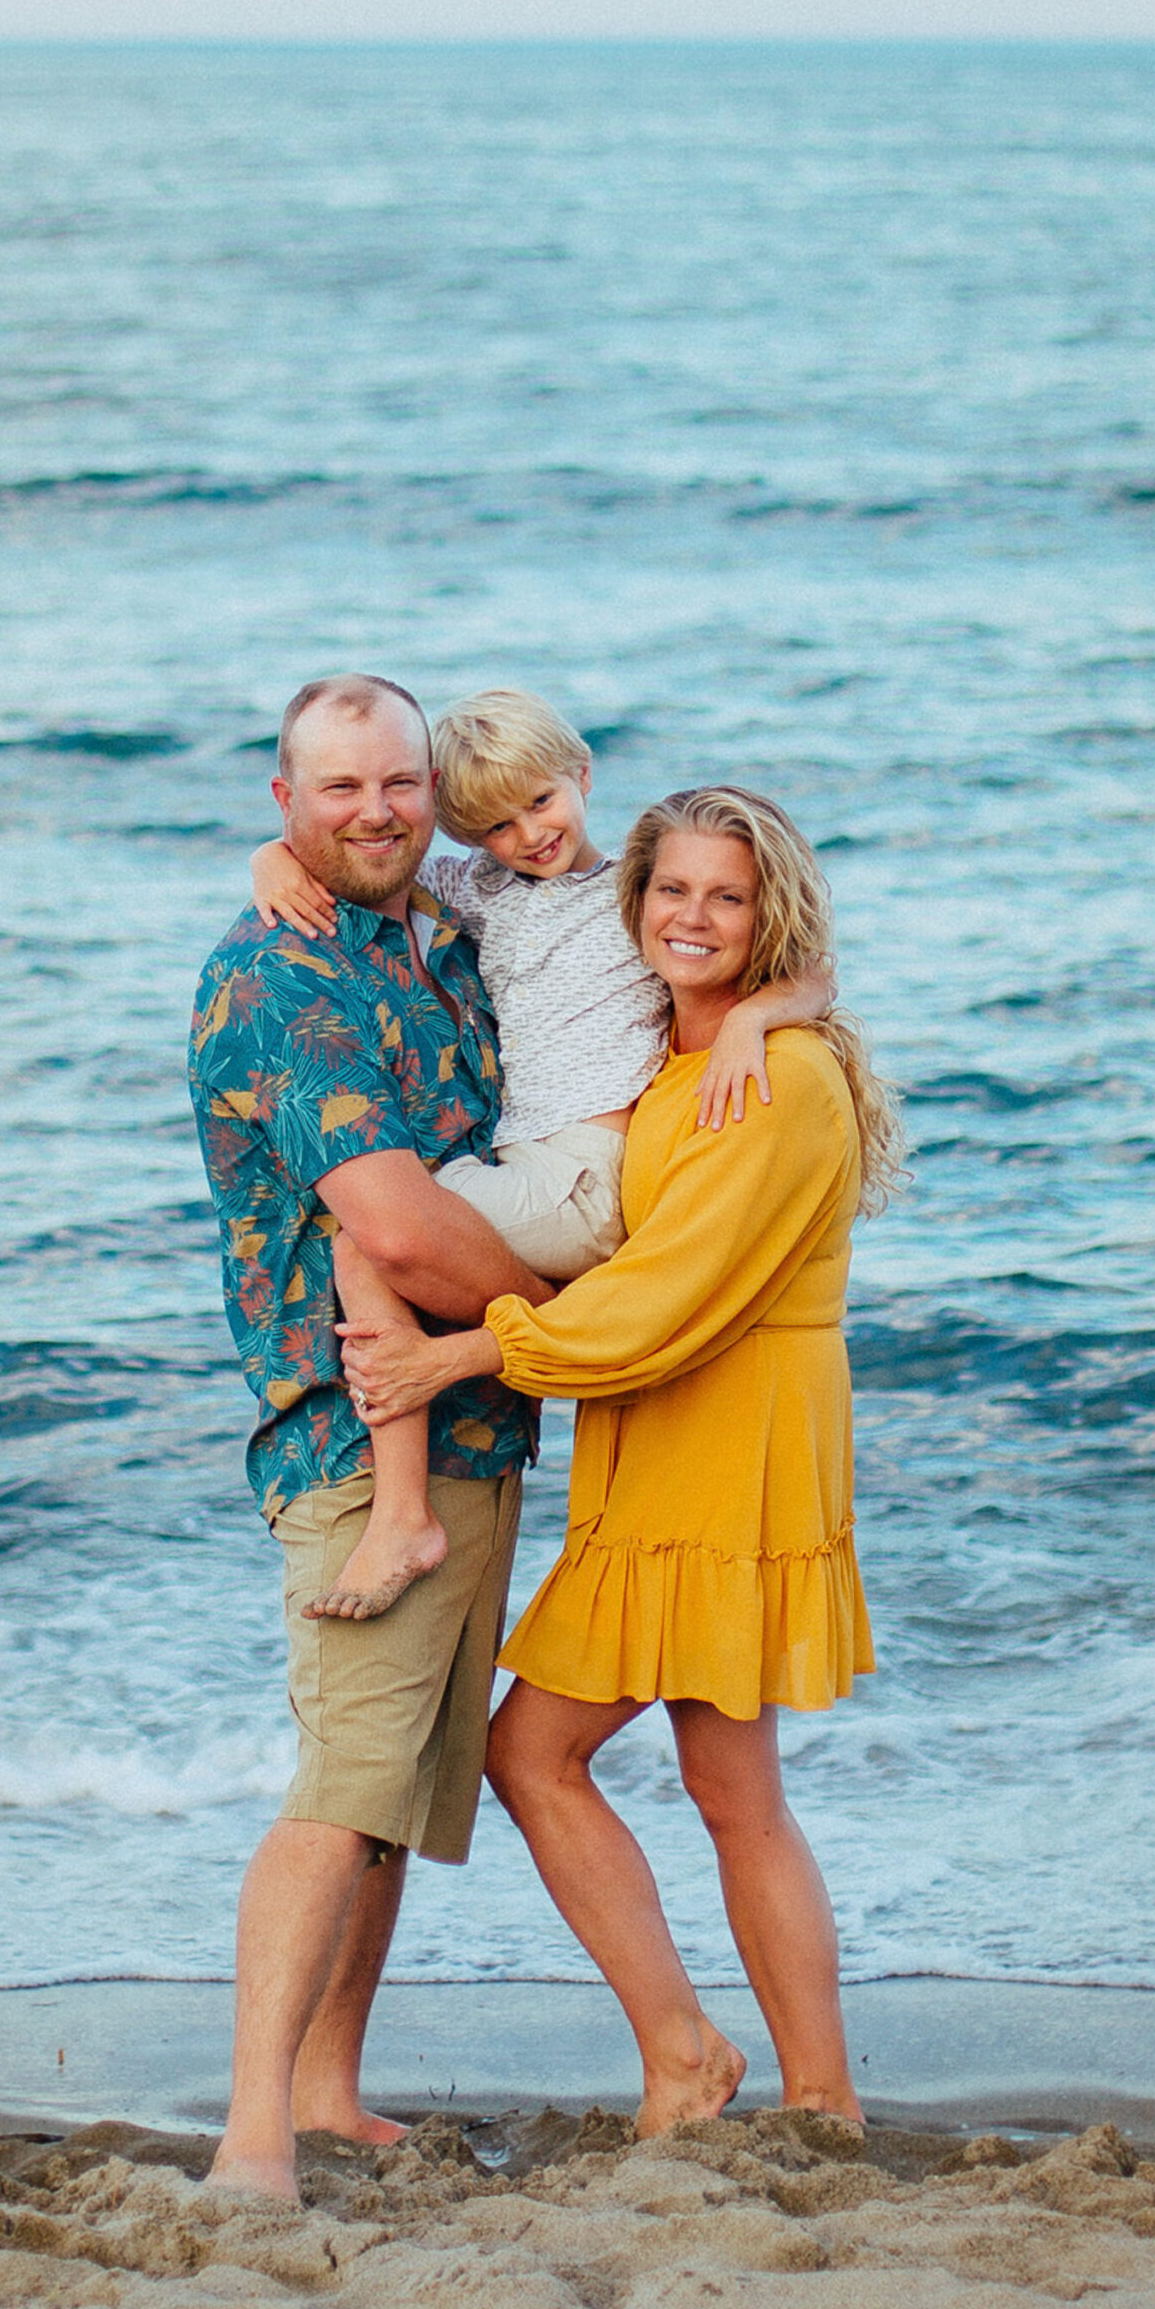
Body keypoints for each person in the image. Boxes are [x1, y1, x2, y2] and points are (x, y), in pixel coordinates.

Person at [342, 785, 900, 2137]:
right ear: (631, 904)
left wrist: (456, 1359)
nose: (693, 917)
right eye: (671, 892)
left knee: (537, 1754)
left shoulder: (774, 1080)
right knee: (729, 1787)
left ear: (772, 915)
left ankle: (700, 2055)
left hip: (723, 1437)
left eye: (728, 895)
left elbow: (660, 1301)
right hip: (681, 1434)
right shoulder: (684, 1048)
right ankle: (811, 2100)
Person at [187, 671, 548, 2199]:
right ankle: (253, 2134)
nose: (375, 811)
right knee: (342, 1785)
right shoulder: (280, 980)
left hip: (474, 1426)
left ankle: (328, 2090)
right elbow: (391, 1223)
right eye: (337, 790)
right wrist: (575, 1333)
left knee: (391, 1792)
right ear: (286, 803)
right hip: (354, 1433)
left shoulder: (441, 935)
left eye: (398, 782)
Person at [251, 689, 831, 1623]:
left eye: (544, 804)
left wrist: (756, 1018)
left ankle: (402, 1516)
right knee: (381, 1229)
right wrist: (273, 853)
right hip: (538, 1169)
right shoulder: (478, 890)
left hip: (584, 1175)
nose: (529, 834)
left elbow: (809, 965)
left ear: (583, 777)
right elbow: (371, 864)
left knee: (366, 1239)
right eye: (495, 824)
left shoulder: (634, 893)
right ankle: (546, 1351)